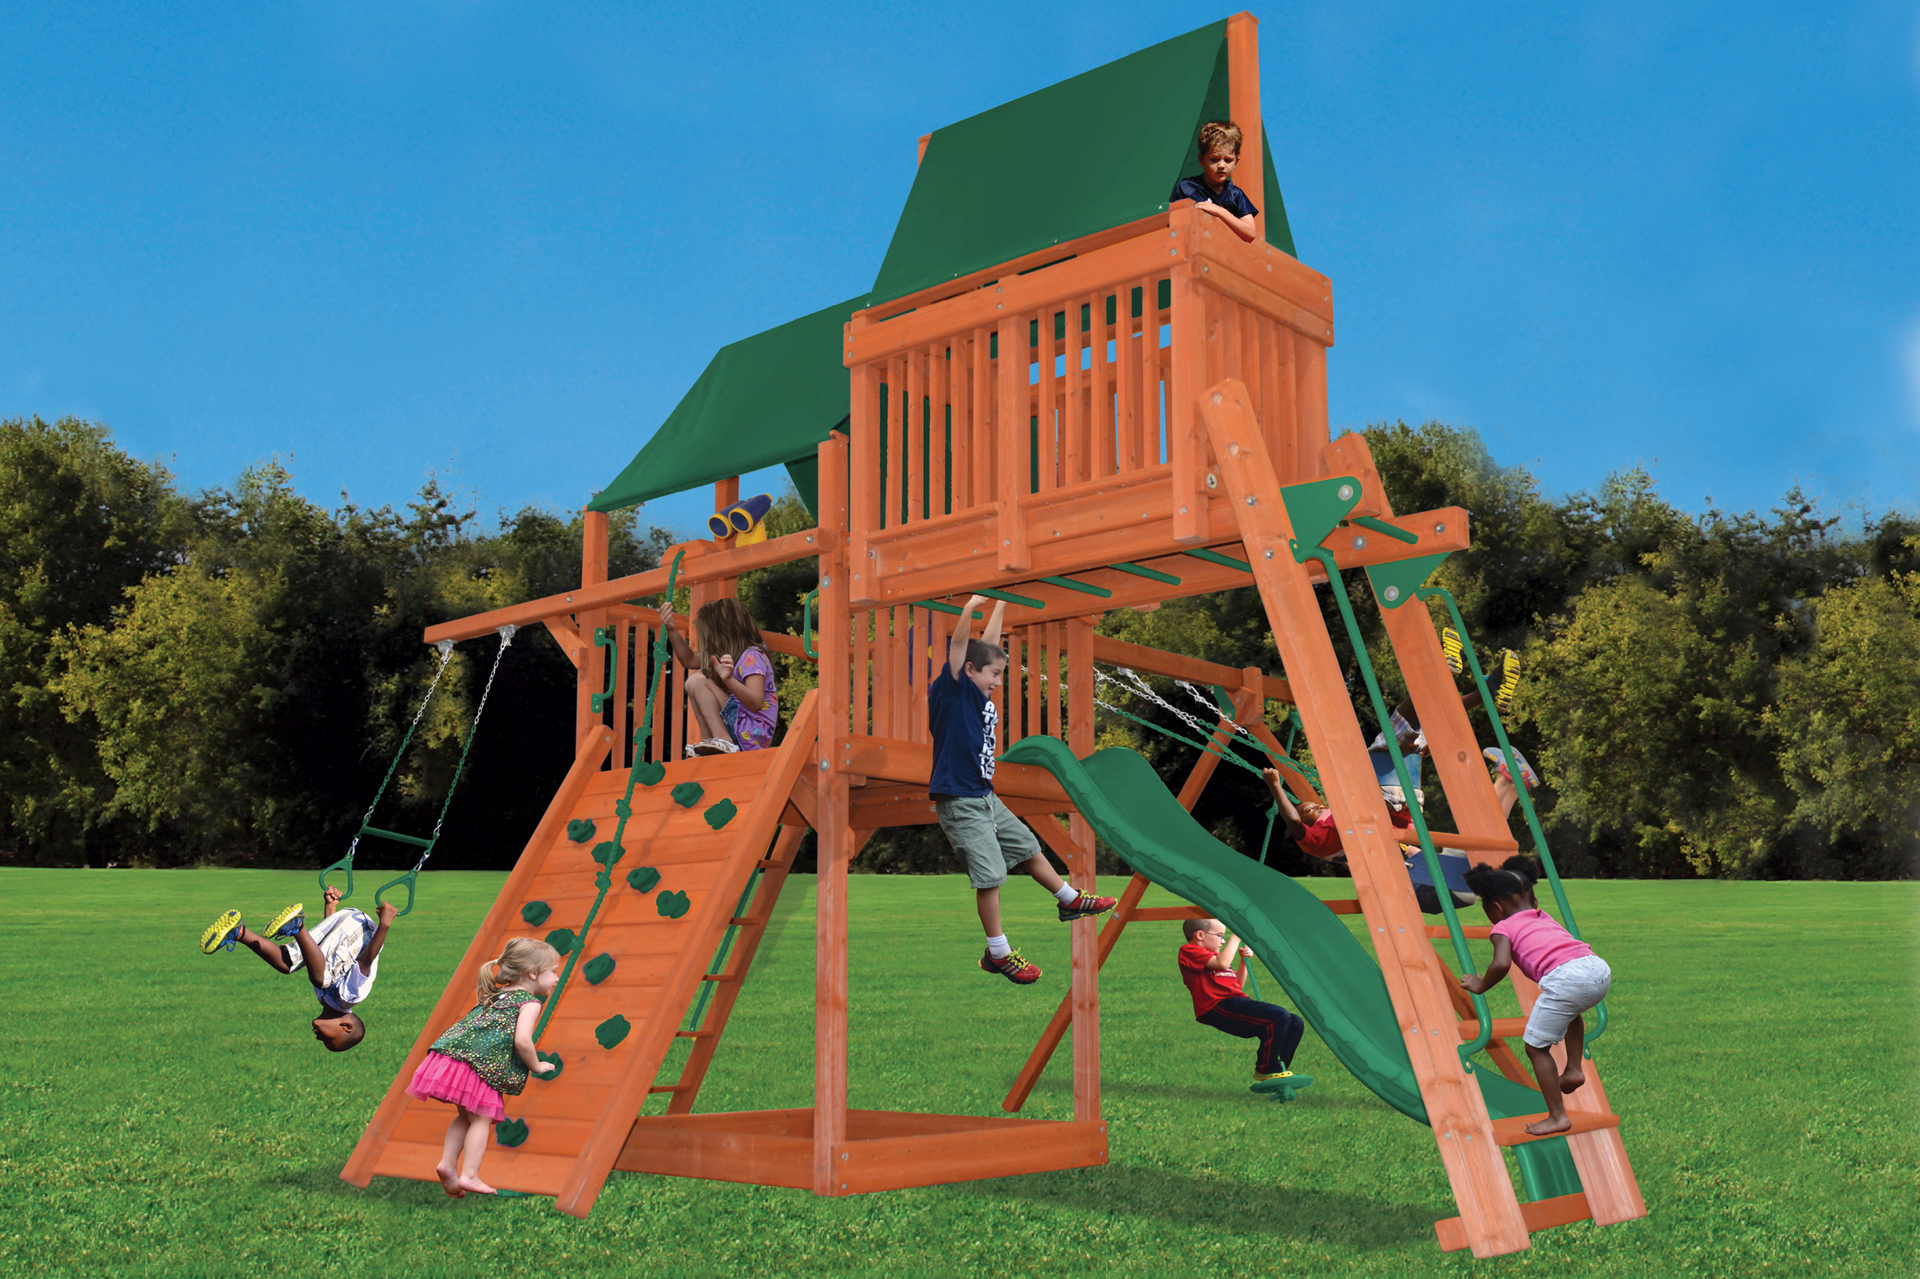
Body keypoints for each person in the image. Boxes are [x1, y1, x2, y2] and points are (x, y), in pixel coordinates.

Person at [929, 594, 1116, 984]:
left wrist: (1000, 602)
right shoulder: (953, 691)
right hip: (959, 799)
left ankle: (1069, 901)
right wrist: (970, 609)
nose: (998, 682)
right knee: (991, 875)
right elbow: (962, 646)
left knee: (1028, 845)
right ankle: (998, 951)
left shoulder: (976, 690)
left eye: (1000, 675)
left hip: (984, 794)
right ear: (969, 671)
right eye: (993, 675)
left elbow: (987, 646)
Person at [1458, 858, 1612, 1136]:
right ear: (1534, 898)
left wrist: (1480, 984)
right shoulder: (1544, 916)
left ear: (1495, 907)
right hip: (1596, 968)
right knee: (1571, 1011)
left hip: (1567, 979)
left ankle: (1557, 1116)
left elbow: (1501, 964)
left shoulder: (1502, 927)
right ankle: (1574, 1069)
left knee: (1535, 1047)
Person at [404, 937, 562, 1196]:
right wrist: (536, 1065)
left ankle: (447, 1164)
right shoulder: (530, 1003)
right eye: (553, 972)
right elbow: (523, 1041)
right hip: (479, 1067)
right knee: (482, 1119)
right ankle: (469, 1175)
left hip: (453, 1058)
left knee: (466, 1116)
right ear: (533, 973)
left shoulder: (497, 995)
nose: (556, 979)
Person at [199, 886, 394, 1052]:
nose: (319, 1039)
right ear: (346, 1026)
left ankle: (239, 931)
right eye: (328, 1040)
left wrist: (330, 906)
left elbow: (327, 948)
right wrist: (385, 924)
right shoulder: (350, 996)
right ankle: (297, 925)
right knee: (320, 978)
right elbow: (366, 960)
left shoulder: (324, 997)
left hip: (344, 927)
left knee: (286, 964)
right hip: (363, 931)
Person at [1177, 918, 1312, 1096]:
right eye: (1219, 936)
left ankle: (1278, 1072)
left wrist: (1243, 961)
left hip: (1234, 1002)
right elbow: (1222, 964)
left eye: (1225, 937)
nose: (1223, 941)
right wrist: (1236, 936)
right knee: (1279, 1015)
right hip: (1217, 1006)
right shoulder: (1190, 951)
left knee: (1295, 1022)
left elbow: (1236, 985)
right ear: (1200, 935)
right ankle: (1266, 1068)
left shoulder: (1216, 958)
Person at [659, 596, 777, 757]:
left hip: (750, 730)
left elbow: (756, 703)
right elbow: (690, 660)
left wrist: (728, 680)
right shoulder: (726, 656)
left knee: (698, 680)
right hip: (737, 723)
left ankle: (723, 740)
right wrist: (671, 630)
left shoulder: (752, 657)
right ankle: (710, 740)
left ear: (720, 632)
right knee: (692, 683)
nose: (706, 640)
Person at [1169, 120, 1259, 243]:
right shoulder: (1186, 188)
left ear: (1236, 162)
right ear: (1201, 160)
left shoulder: (1236, 195)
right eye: (1214, 159)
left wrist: (1219, 211)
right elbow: (1170, 224)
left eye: (1228, 160)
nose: (1221, 165)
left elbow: (1250, 233)